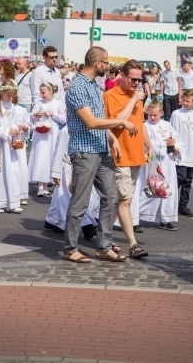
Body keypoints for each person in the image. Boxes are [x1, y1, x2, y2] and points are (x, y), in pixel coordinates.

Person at [60, 46, 136, 263]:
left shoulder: (94, 85)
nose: (108, 67)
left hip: (101, 149)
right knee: (80, 201)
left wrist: (112, 139)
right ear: (97, 63)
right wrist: (121, 122)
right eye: (106, 62)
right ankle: (70, 248)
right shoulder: (78, 86)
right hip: (84, 150)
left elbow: (100, 119)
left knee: (111, 197)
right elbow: (91, 122)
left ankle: (104, 246)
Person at [104, 59, 151, 259]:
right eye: (133, 79)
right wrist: (132, 101)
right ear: (122, 75)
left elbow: (140, 124)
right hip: (120, 155)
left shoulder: (136, 96)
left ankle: (102, 235)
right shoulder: (111, 95)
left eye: (139, 80)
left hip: (136, 155)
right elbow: (115, 123)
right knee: (125, 200)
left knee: (120, 201)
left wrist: (149, 145)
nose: (136, 83)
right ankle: (133, 244)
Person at [0, 80, 30, 213]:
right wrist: (6, 131)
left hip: (10, 144)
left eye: (12, 96)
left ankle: (13, 202)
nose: (11, 98)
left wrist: (18, 129)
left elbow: (14, 122)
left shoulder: (12, 106)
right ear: (2, 93)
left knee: (14, 172)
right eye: (8, 95)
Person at [141, 100, 180, 230]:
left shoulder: (167, 124)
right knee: (153, 188)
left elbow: (175, 138)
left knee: (168, 188)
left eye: (155, 115)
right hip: (154, 161)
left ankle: (165, 219)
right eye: (150, 115)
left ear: (161, 113)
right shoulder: (145, 126)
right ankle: (136, 216)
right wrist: (165, 145)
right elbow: (146, 144)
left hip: (168, 161)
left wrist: (175, 148)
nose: (152, 118)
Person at [171, 89, 193, 218]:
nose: (185, 103)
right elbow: (172, 131)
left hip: (191, 152)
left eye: (188, 101)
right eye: (184, 100)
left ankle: (183, 205)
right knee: (180, 178)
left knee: (188, 180)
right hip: (179, 152)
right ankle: (171, 202)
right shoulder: (176, 114)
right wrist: (174, 147)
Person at [28, 83, 67, 198]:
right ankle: (41, 185)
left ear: (51, 91)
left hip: (52, 133)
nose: (42, 95)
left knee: (51, 156)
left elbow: (64, 119)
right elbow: (31, 116)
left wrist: (53, 114)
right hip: (41, 134)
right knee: (41, 156)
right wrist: (36, 115)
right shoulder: (39, 103)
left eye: (44, 92)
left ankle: (48, 182)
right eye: (41, 93)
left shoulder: (58, 103)